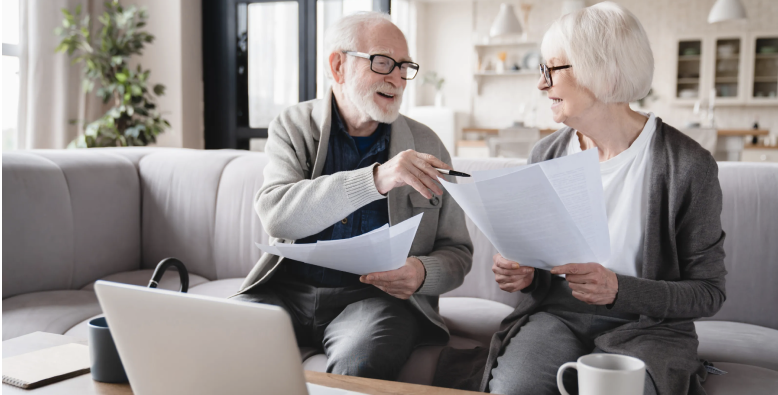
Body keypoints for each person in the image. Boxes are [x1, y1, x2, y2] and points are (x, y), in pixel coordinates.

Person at [483, 3, 726, 395]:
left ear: (605, 74)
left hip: (648, 327)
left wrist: (619, 290)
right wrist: (526, 275)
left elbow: (709, 293)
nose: (541, 85)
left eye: (551, 70)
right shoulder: (545, 154)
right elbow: (541, 270)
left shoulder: (688, 165)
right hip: (557, 317)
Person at [232, 12, 473, 381]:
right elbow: (277, 216)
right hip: (285, 291)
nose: (396, 77)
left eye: (404, 66)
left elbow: (458, 251)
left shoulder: (427, 144)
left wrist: (422, 272)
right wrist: (377, 179)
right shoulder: (292, 127)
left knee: (361, 360)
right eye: (382, 62)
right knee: (219, 336)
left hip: (374, 303)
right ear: (338, 65)